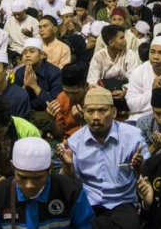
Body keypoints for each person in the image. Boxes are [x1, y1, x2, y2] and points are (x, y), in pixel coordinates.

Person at [57, 87, 149, 229]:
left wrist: (139, 168)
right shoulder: (75, 141)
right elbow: (69, 183)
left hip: (122, 202)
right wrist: (67, 166)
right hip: (89, 202)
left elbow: (146, 177)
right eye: (90, 111)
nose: (95, 117)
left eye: (102, 110)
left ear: (113, 112)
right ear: (84, 112)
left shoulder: (133, 137)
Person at [0, 137, 95, 229]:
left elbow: (86, 226)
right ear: (13, 168)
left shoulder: (71, 191)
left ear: (49, 169)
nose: (29, 185)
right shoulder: (0, 194)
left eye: (37, 178)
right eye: (23, 177)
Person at [12, 38, 62, 132]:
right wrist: (25, 87)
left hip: (46, 113)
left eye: (32, 51)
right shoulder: (19, 72)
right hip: (26, 113)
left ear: (42, 55)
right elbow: (15, 102)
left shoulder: (54, 72)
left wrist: (34, 86)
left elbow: (54, 105)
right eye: (25, 52)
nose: (27, 55)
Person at [135, 87, 161, 155]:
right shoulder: (144, 122)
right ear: (152, 110)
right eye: (158, 114)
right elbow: (140, 157)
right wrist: (155, 146)